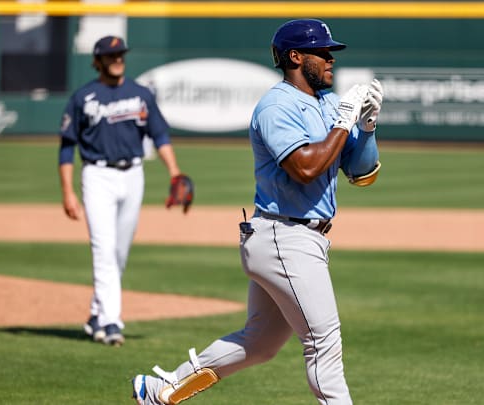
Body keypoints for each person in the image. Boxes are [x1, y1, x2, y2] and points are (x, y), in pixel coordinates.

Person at [131, 18, 383, 405]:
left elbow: (362, 175)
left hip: (298, 238)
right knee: (323, 341)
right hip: (283, 236)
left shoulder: (329, 104)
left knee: (261, 343)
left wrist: (365, 127)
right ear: (296, 57)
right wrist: (342, 123)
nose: (332, 59)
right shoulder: (276, 106)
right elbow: (304, 168)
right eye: (324, 52)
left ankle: (161, 389)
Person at [58, 35, 185, 346]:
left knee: (119, 253)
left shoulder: (140, 95)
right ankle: (112, 322)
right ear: (98, 60)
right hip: (97, 175)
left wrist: (175, 172)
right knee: (103, 250)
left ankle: (95, 315)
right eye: (111, 55)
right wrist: (68, 192)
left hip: (133, 175)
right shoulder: (84, 97)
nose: (118, 59)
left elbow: (160, 135)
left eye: (121, 54)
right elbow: (66, 147)